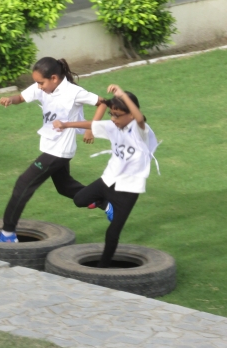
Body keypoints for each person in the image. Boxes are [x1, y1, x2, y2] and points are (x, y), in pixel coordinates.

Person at [0, 57, 103, 242]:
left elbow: (103, 102)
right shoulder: (42, 88)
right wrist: (10, 100)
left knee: (23, 183)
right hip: (50, 145)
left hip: (59, 150)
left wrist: (91, 128)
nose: (38, 87)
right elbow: (21, 97)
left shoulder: (73, 92)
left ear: (54, 78)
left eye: (41, 83)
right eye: (37, 83)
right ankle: (103, 200)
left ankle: (7, 234)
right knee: (64, 186)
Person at [52, 85, 159, 268]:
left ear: (131, 115)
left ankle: (103, 267)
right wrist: (65, 124)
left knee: (112, 232)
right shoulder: (113, 126)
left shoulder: (140, 130)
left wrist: (123, 94)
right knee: (79, 199)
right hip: (108, 179)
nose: (113, 119)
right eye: (111, 114)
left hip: (128, 189)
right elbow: (91, 125)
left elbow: (140, 118)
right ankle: (105, 204)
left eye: (117, 115)